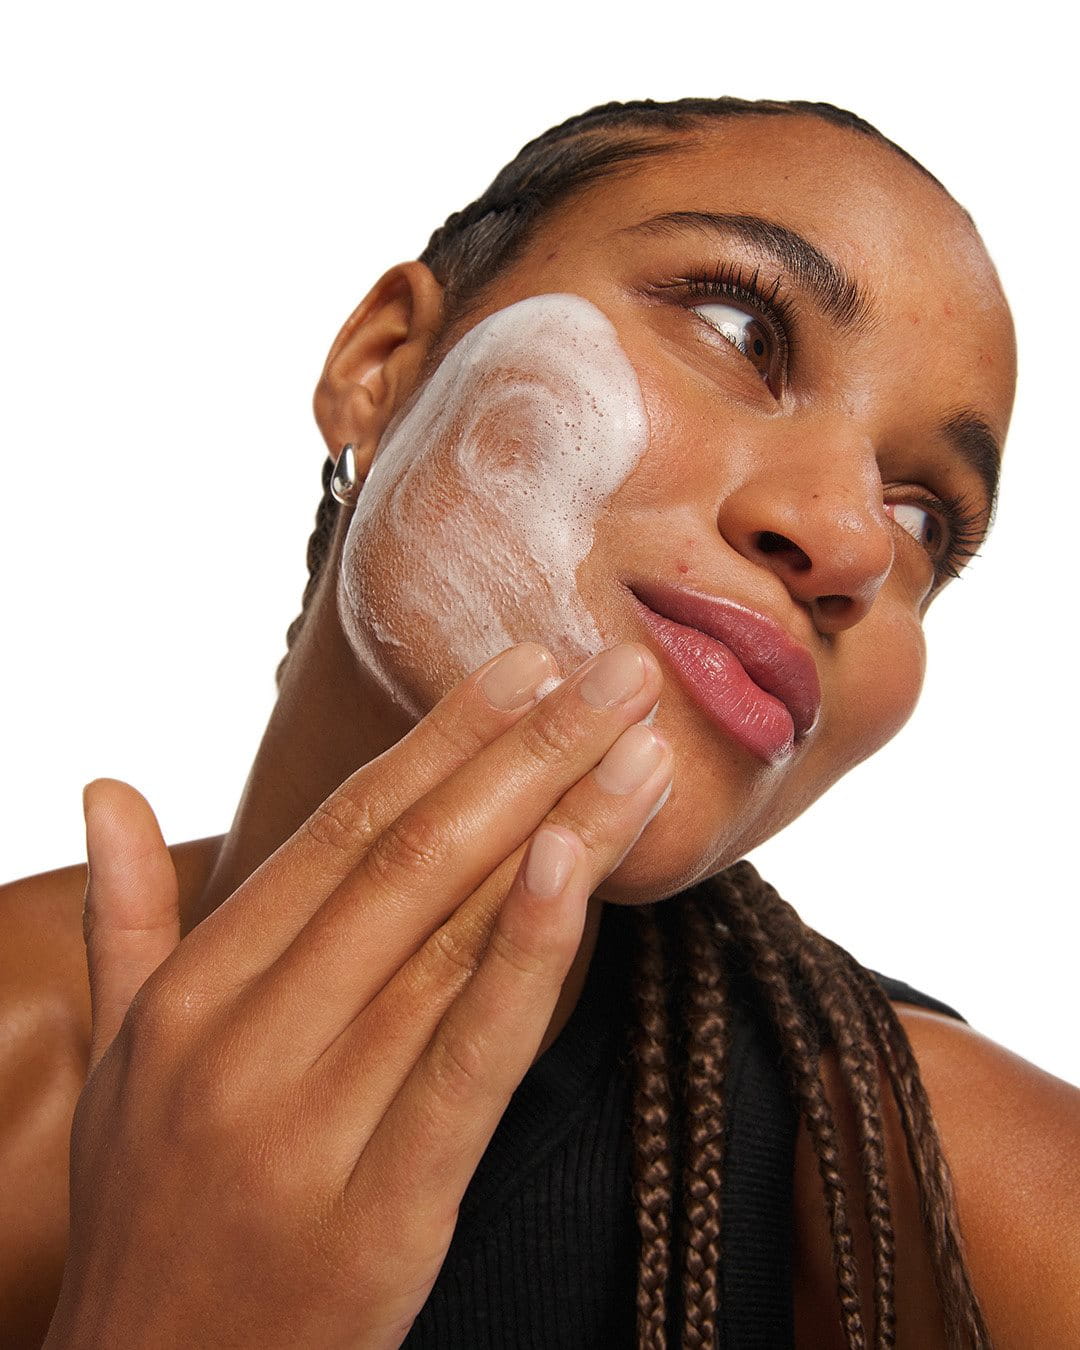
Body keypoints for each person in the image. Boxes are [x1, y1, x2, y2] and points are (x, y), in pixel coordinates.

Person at [1, 96, 1075, 1350]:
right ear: (384, 366)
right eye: (742, 330)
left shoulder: (977, 1217)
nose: (846, 546)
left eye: (923, 521)